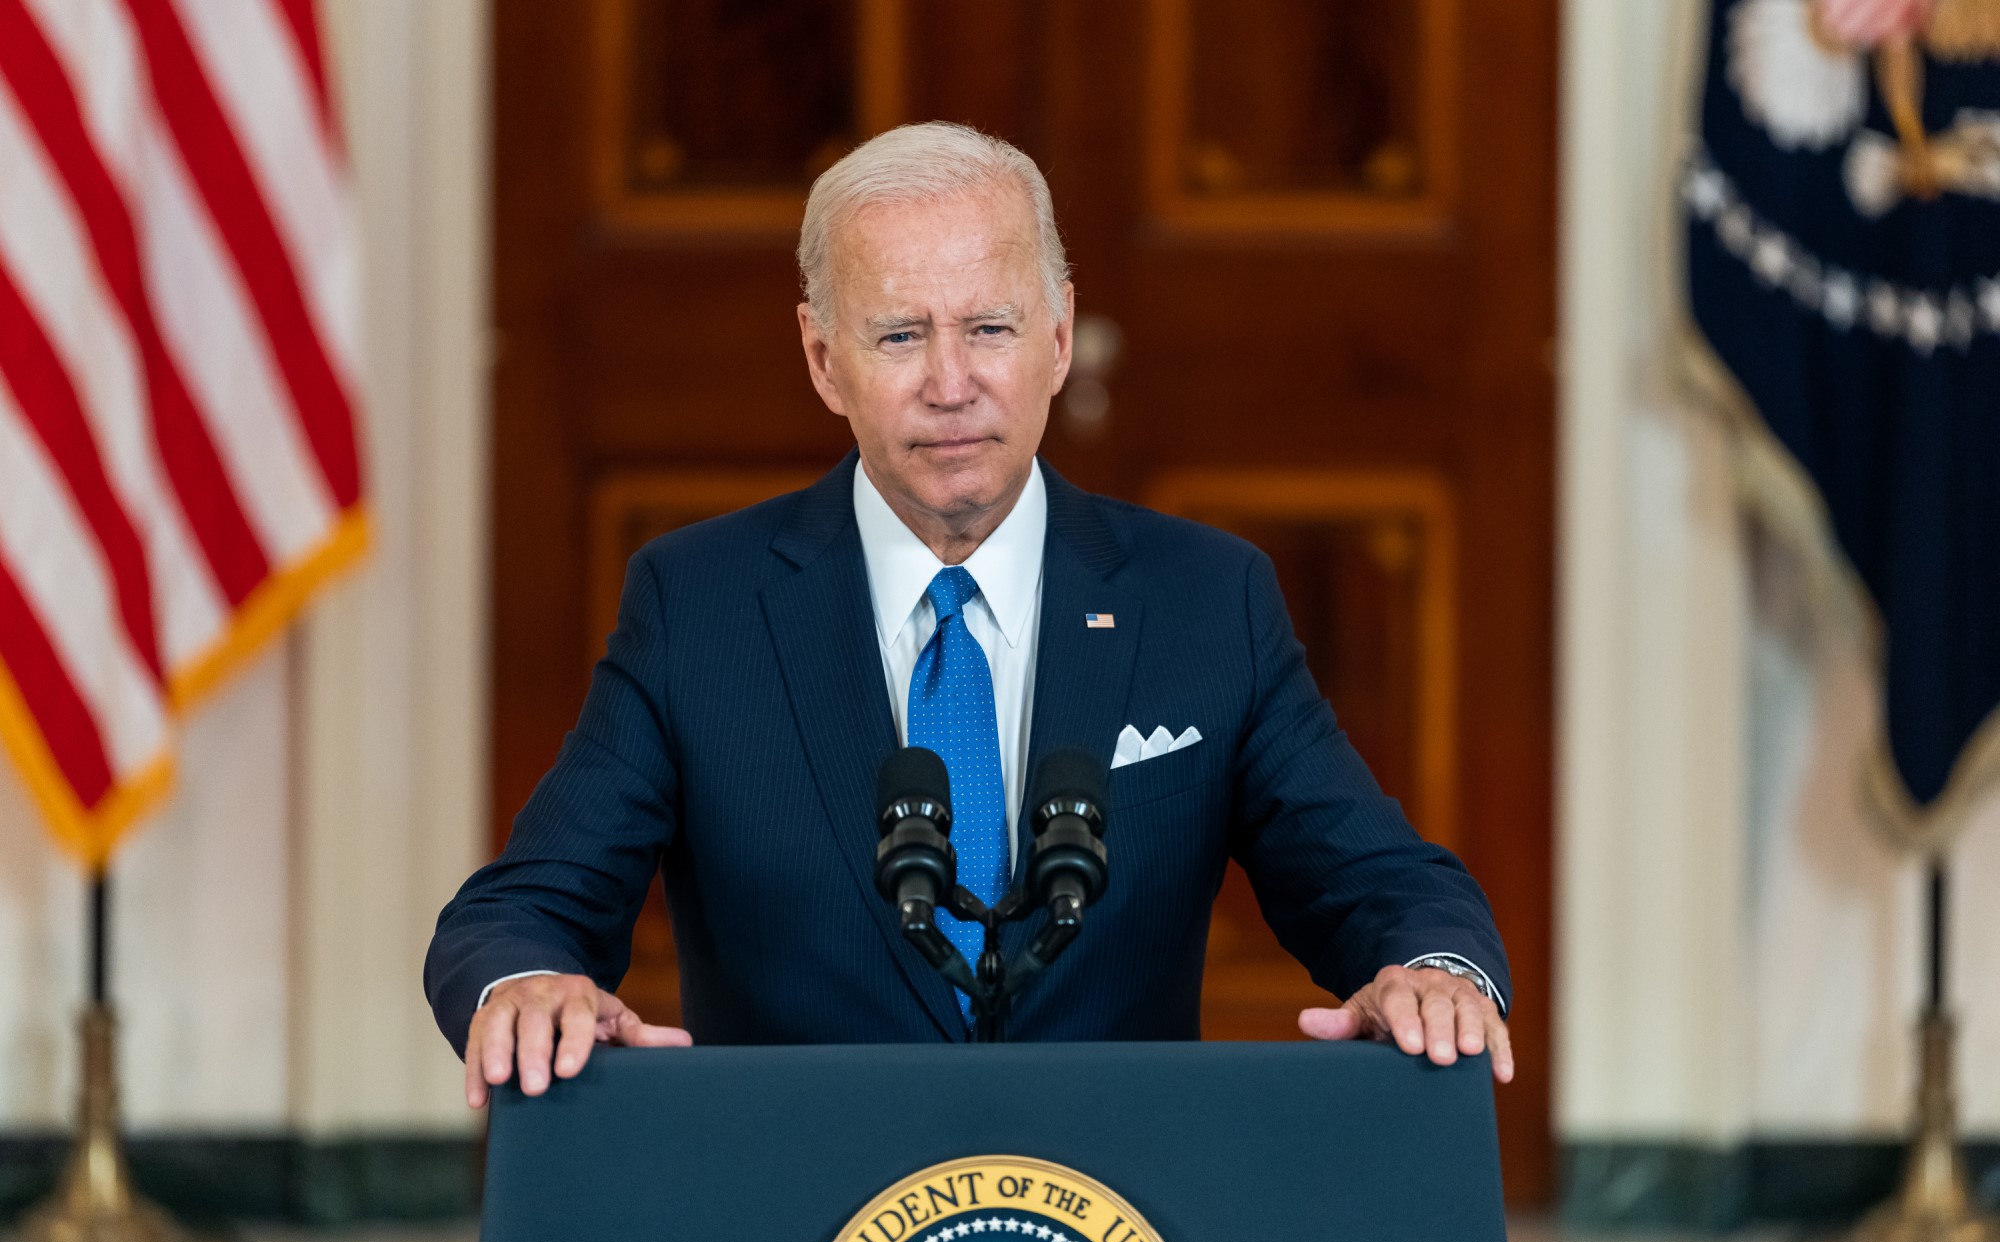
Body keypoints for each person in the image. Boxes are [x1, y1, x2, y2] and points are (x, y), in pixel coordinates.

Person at [426, 123, 1514, 1111]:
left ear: (1057, 334)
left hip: (1111, 1215)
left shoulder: (1201, 598)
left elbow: (1379, 880)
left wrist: (1430, 973)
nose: (951, 384)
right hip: (804, 1217)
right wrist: (529, 986)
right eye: (899, 337)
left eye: (988, 327)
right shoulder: (698, 604)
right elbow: (525, 909)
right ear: (822, 360)